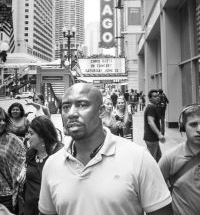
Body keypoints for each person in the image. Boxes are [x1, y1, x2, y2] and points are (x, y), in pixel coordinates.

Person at [39, 83, 173, 215]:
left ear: (101, 111)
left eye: (82, 105)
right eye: (66, 107)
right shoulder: (52, 164)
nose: (72, 113)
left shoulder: (139, 158)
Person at [159, 104, 200, 215]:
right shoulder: (170, 158)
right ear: (183, 127)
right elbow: (155, 192)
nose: (199, 129)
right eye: (193, 124)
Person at [20, 116, 64, 215]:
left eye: (31, 133)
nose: (27, 137)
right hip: (29, 209)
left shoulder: (60, 155)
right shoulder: (31, 153)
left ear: (43, 136)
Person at [0, 107, 26, 213]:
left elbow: (25, 162)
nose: (2, 123)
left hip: (6, 194)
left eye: (4, 120)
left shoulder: (12, 140)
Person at [143, 89, 165, 162]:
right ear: (150, 98)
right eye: (155, 96)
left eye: (158, 96)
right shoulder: (151, 107)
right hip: (151, 138)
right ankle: (150, 173)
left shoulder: (153, 107)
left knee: (158, 157)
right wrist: (159, 134)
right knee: (153, 160)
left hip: (153, 138)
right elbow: (150, 122)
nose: (157, 97)